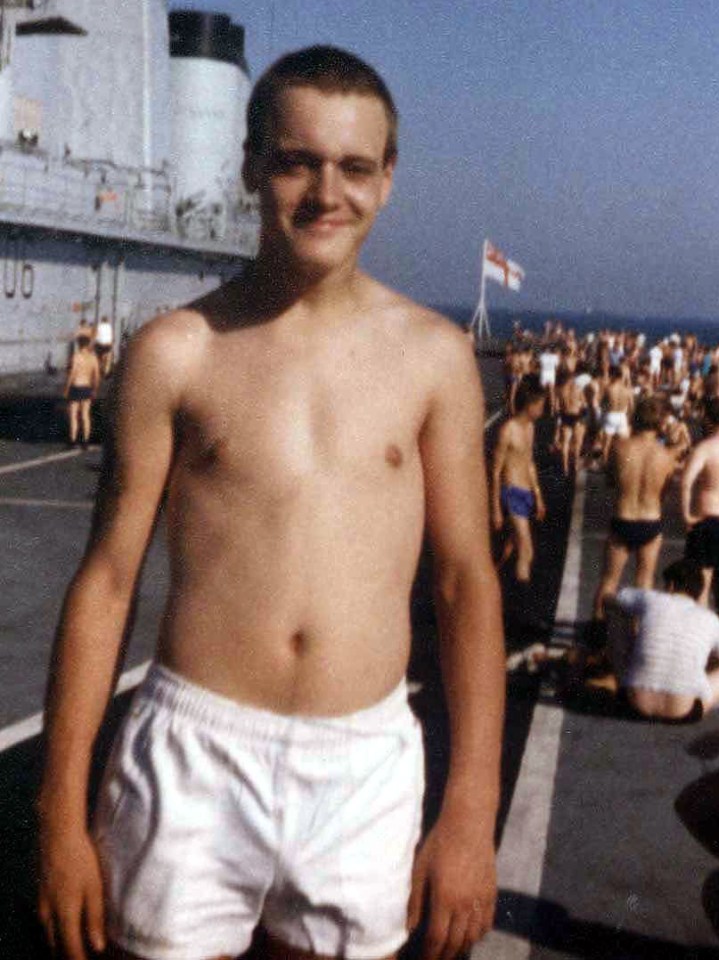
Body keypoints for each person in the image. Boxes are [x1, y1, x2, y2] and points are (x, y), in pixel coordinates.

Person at [37, 46, 504, 960]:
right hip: (194, 753)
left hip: (363, 760)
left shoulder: (434, 358)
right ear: (250, 164)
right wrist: (60, 813)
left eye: (355, 167)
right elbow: (105, 582)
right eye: (296, 161)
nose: (326, 192)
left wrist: (470, 811)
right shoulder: (177, 351)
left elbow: (464, 586)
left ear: (388, 179)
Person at [604, 558, 719, 722]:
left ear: (670, 586)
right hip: (682, 711)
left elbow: (611, 598)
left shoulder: (651, 599)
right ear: (698, 592)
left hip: (634, 704)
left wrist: (635, 635)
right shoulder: (710, 619)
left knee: (616, 615)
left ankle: (615, 672)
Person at [592, 397, 675, 620]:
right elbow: (664, 494)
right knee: (644, 581)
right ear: (659, 423)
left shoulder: (619, 448)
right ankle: (636, 630)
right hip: (650, 520)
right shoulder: (666, 456)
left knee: (609, 579)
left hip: (623, 517)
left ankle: (597, 630)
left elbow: (610, 481)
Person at [682, 396, 719, 646]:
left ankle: (702, 644)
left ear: (707, 418)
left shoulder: (705, 448)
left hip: (709, 519)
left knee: (702, 588)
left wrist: (686, 514)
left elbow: (686, 482)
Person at [492, 375, 546, 584]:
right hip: (510, 492)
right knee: (527, 550)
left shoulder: (530, 428)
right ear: (531, 405)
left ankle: (493, 575)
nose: (543, 409)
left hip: (525, 494)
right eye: (541, 405)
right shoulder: (508, 430)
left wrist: (538, 495)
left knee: (509, 546)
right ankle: (522, 601)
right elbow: (495, 471)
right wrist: (495, 507)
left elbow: (529, 463)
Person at [63, 334, 100, 448]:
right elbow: (97, 375)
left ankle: (73, 440)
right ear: (88, 344)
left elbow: (72, 373)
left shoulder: (76, 357)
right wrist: (94, 389)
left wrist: (66, 388)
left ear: (78, 344)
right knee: (85, 415)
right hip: (87, 387)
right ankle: (85, 441)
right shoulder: (93, 358)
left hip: (76, 387)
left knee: (73, 415)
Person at [600, 364, 634, 464]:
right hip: (622, 416)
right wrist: (628, 419)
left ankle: (605, 465)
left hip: (610, 414)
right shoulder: (627, 390)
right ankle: (623, 464)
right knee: (623, 444)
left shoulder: (609, 388)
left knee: (606, 445)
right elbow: (631, 406)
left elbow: (602, 404)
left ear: (613, 376)